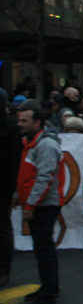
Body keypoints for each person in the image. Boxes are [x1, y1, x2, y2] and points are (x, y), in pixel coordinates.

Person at [15, 107, 64, 304]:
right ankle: (49, 286)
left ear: (37, 123)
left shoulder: (45, 146)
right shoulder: (31, 144)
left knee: (43, 248)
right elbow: (28, 175)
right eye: (19, 120)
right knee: (43, 247)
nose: (19, 124)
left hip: (45, 205)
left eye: (24, 121)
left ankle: (48, 293)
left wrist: (31, 204)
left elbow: (45, 177)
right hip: (40, 203)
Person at [0, 88, 20, 287]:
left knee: (2, 230)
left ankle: (4, 269)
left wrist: (11, 191)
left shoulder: (11, 128)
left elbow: (14, 163)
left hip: (2, 187)